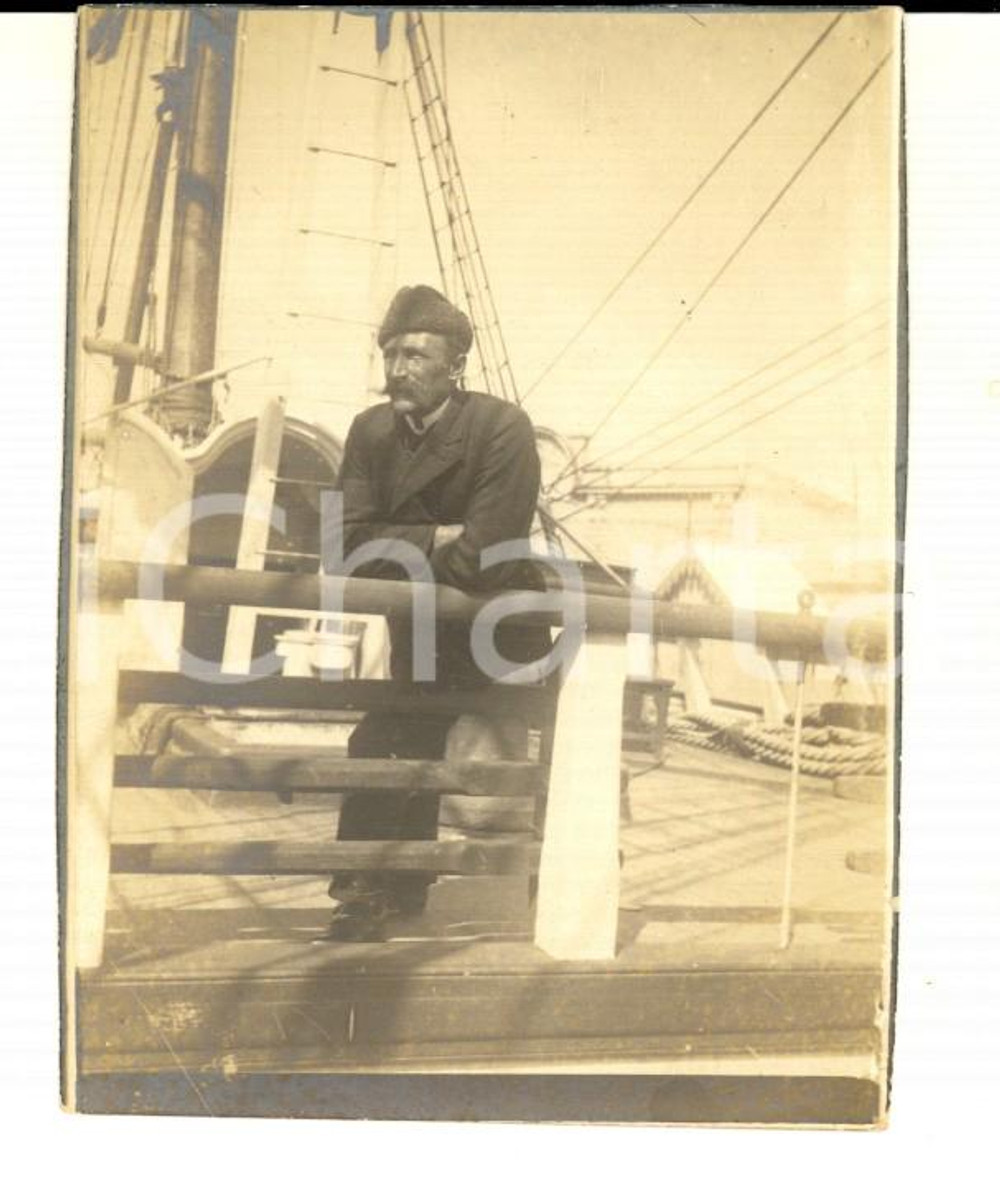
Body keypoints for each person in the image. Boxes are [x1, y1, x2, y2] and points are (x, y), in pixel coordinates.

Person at [325, 284, 551, 940]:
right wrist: (437, 537)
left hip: (498, 628)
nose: (397, 368)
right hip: (422, 625)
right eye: (391, 353)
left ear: (455, 365)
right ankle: (373, 887)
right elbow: (340, 550)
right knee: (388, 737)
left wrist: (402, 543)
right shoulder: (371, 432)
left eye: (416, 355)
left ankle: (556, 889)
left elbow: (486, 555)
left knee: (529, 759)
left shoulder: (500, 428)